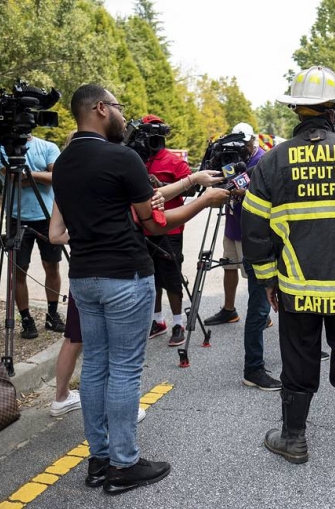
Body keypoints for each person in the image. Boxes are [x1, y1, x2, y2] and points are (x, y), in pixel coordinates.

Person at [52, 83, 227, 494]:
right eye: (118, 106)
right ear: (100, 108)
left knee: (95, 367)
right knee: (125, 370)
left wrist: (186, 184)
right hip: (124, 276)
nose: (122, 115)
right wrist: (204, 201)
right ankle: (124, 464)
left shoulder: (63, 163)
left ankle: (99, 460)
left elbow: (124, 207)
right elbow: (154, 224)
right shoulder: (122, 157)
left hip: (84, 277)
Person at [242, 65, 335, 463]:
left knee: (298, 359)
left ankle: (293, 439)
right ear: (334, 110)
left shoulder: (271, 162)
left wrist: (268, 280)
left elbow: (254, 230)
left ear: (296, 109)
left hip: (295, 287)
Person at [142, 114, 224, 346]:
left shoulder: (174, 161)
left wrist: (161, 186)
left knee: (171, 278)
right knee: (151, 278)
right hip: (143, 229)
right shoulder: (137, 159)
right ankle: (158, 321)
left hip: (170, 229)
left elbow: (191, 190)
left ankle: (178, 322)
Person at [0, 135, 65, 339]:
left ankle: (52, 314)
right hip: (17, 217)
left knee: (52, 266)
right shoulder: (0, 147)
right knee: (19, 271)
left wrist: (28, 174)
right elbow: (12, 179)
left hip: (48, 216)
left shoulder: (48, 146)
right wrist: (42, 175)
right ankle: (26, 319)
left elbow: (56, 178)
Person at [202, 123, 260, 326]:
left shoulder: (261, 159)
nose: (241, 148)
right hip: (232, 223)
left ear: (252, 140)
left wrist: (245, 192)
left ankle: (261, 314)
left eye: (244, 143)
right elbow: (223, 179)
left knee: (253, 273)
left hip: (251, 227)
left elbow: (267, 193)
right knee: (229, 265)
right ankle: (229, 310)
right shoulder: (231, 156)